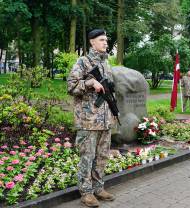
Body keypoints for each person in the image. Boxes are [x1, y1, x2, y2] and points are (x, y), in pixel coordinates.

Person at [67, 29, 117, 207]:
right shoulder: (82, 62)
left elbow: (108, 90)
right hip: (88, 120)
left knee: (102, 157)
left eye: (106, 40)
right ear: (92, 42)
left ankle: (98, 188)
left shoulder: (106, 63)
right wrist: (89, 83)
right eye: (102, 40)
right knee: (87, 157)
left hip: (105, 120)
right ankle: (86, 193)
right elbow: (71, 87)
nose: (106, 43)